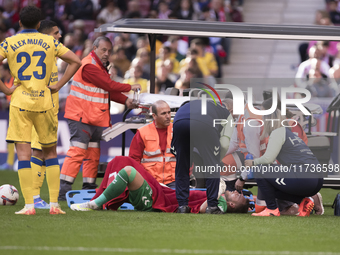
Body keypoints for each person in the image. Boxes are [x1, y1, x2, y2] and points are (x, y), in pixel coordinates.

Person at [0, 6, 82, 215]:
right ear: (39, 25)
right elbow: (76, 60)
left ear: (19, 23)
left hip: (20, 103)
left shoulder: (9, 42)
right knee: (51, 153)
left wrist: (7, 89)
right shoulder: (51, 42)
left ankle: (29, 206)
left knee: (24, 154)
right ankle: (54, 205)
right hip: (45, 102)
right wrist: (60, 84)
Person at [58, 36, 141, 201]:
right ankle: (63, 191)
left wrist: (126, 101)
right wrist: (130, 87)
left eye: (109, 51)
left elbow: (106, 90)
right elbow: (109, 85)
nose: (107, 54)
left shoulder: (99, 67)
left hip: (93, 117)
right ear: (94, 48)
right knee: (78, 152)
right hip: (81, 116)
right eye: (103, 50)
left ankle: (88, 188)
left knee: (93, 153)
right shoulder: (89, 65)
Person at [70, 156, 249, 214]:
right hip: (163, 191)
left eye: (238, 195)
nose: (236, 192)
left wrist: (219, 189)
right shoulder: (225, 198)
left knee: (127, 172)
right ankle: (101, 201)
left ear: (231, 204)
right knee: (120, 160)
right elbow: (249, 202)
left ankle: (96, 203)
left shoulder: (221, 204)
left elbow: (204, 208)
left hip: (157, 201)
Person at [244, 109, 324, 217]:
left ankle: (272, 209)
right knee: (270, 185)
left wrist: (252, 162)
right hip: (317, 180)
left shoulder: (277, 132)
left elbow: (268, 159)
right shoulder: (290, 134)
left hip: (305, 178)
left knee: (259, 170)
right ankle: (303, 201)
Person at [171, 99, 231, 214]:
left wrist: (186, 159)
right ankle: (212, 206)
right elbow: (224, 144)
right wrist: (216, 160)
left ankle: (182, 206)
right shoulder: (227, 114)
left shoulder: (187, 107)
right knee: (212, 167)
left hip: (179, 122)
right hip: (204, 124)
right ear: (230, 109)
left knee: (181, 167)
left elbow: (174, 149)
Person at [30, 20, 62, 209]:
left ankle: (36, 196)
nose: (59, 36)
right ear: (45, 35)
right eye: (55, 33)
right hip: (41, 109)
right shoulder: (40, 55)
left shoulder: (50, 55)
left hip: (50, 110)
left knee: (42, 152)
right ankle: (34, 196)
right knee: (38, 151)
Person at [129, 100, 176, 188]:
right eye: (163, 113)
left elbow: (187, 156)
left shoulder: (177, 130)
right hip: (149, 181)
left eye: (169, 112)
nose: (168, 116)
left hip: (174, 181)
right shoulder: (143, 132)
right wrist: (143, 179)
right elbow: (134, 160)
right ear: (154, 116)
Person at [0, 62, 15, 171]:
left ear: (6, 71)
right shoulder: (4, 81)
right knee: (10, 136)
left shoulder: (14, 80)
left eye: (1, 70)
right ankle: (9, 162)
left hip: (18, 110)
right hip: (11, 110)